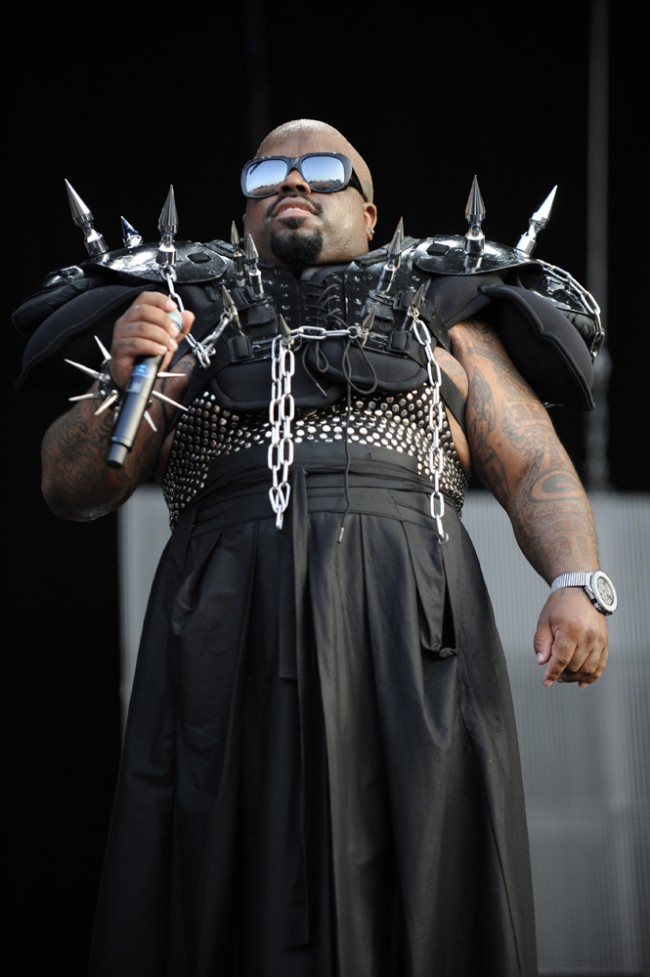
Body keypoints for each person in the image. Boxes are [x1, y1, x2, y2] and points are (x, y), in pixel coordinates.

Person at [12, 118, 616, 977]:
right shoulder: (181, 321)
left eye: (324, 170)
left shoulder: (442, 312)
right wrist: (119, 387)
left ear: (370, 214)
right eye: (269, 173)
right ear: (245, 208)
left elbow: (532, 465)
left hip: (411, 624)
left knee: (429, 875)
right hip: (223, 626)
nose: (295, 183)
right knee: (217, 883)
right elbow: (70, 489)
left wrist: (578, 578)